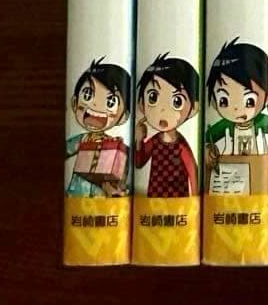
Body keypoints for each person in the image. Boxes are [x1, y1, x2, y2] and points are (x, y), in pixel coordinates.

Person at [134, 53, 199, 197]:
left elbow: (192, 171)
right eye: (153, 98)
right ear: (142, 105)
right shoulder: (155, 141)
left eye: (177, 101)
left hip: (177, 200)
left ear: (193, 108)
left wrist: (195, 198)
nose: (162, 110)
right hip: (154, 198)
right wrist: (138, 141)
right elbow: (139, 163)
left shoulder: (181, 145)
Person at [66, 58, 130, 197]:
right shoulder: (83, 139)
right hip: (77, 196)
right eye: (88, 95)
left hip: (102, 199)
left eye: (110, 101)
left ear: (123, 117)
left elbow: (122, 177)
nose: (96, 106)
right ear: (74, 103)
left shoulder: (116, 145)